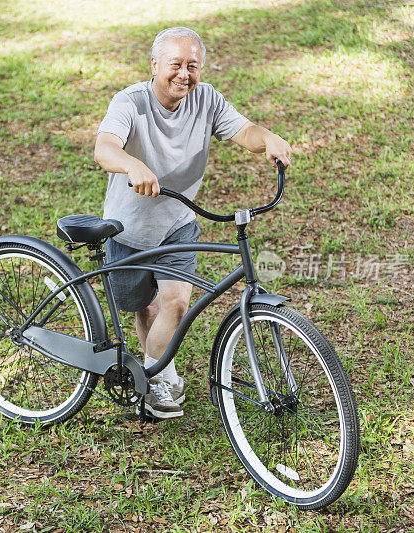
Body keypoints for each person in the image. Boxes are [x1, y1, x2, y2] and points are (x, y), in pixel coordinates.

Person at [93, 26, 292, 419]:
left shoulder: (206, 99)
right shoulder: (130, 102)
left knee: (176, 304)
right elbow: (104, 148)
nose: (184, 74)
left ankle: (155, 378)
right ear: (154, 65)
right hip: (126, 227)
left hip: (178, 223)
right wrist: (132, 164)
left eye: (192, 66)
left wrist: (267, 137)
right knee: (144, 309)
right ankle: (153, 374)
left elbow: (245, 131)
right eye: (175, 65)